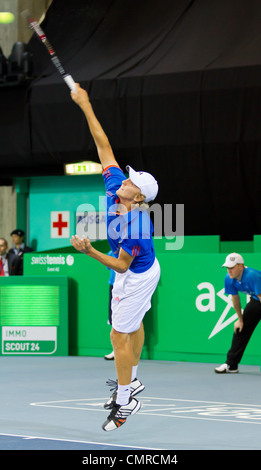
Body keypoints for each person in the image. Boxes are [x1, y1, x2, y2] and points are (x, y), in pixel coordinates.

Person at [70, 84, 160, 432]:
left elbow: (121, 266)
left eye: (131, 181)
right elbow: (103, 145)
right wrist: (86, 105)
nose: (124, 179)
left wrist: (89, 250)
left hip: (136, 274)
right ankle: (133, 380)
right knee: (131, 324)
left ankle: (125, 401)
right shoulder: (116, 189)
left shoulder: (136, 225)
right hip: (142, 269)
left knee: (117, 335)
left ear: (138, 197)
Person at [215, 252, 261, 374]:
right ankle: (231, 364)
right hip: (257, 300)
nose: (229, 270)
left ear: (241, 266)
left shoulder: (252, 276)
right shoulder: (229, 279)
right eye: (227, 268)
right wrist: (240, 320)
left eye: (232, 267)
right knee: (241, 328)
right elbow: (235, 298)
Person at [104, 250, 116, 361]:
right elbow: (109, 267)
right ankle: (116, 350)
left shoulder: (129, 249)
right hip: (113, 287)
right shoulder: (111, 252)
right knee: (113, 319)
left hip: (127, 288)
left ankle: (129, 350)